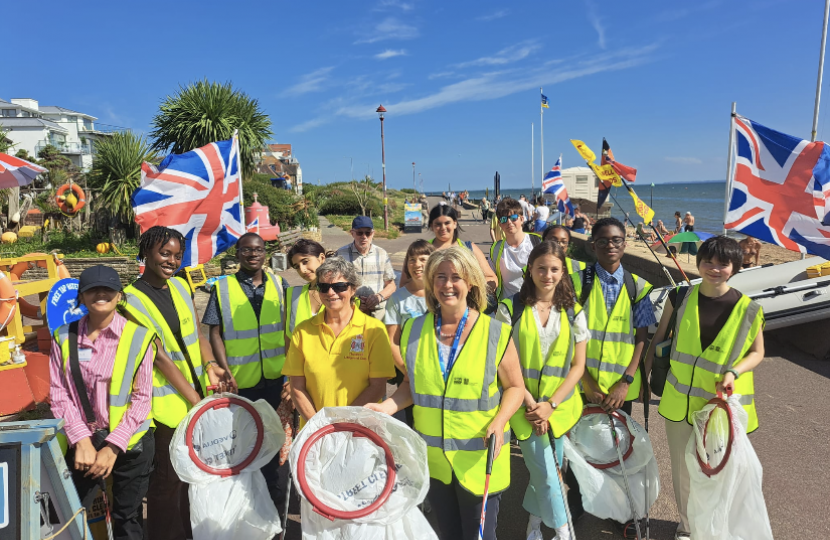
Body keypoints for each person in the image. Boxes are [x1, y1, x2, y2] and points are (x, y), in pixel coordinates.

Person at [366, 246, 524, 540]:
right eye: (440, 277)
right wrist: (385, 408)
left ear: (471, 282)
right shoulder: (413, 330)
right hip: (435, 463)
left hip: (479, 462)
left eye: (456, 277)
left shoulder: (495, 332)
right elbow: (412, 388)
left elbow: (515, 387)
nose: (447, 285)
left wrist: (500, 422)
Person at [644, 236, 765, 540]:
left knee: (717, 473)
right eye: (707, 261)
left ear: (735, 267)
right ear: (698, 262)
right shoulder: (680, 296)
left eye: (722, 263)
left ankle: (712, 528)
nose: (714, 268)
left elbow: (757, 352)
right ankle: (687, 528)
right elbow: (658, 340)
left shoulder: (749, 309)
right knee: (683, 473)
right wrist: (641, 381)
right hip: (678, 404)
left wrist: (734, 371)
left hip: (718, 408)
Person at [122, 226, 230, 540]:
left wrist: (211, 367)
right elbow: (157, 357)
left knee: (192, 478)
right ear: (146, 253)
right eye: (164, 253)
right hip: (164, 409)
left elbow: (195, 333)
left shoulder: (181, 288)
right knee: (166, 484)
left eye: (177, 255)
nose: (171, 260)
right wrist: (195, 399)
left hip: (193, 399)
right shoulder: (130, 300)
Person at [50, 265, 156, 540]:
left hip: (130, 443)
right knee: (64, 516)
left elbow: (143, 398)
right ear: (81, 298)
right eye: (91, 289)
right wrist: (81, 440)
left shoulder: (139, 337)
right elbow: (59, 393)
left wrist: (112, 447)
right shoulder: (63, 336)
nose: (100, 294)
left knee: (126, 518)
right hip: (83, 442)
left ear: (119, 296)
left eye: (108, 289)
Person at [568, 217, 656, 534]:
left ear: (625, 243)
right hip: (582, 387)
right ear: (592, 245)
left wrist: (627, 381)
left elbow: (641, 337)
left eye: (616, 240)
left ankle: (624, 514)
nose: (610, 246)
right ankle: (577, 508)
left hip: (622, 389)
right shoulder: (575, 284)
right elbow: (565, 338)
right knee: (579, 451)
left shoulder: (639, 287)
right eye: (603, 241)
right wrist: (586, 383)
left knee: (621, 453)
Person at [495, 241, 587, 540]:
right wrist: (534, 406)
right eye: (541, 268)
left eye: (555, 269)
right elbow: (505, 363)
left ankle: (533, 526)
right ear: (530, 269)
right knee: (549, 476)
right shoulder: (510, 309)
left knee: (548, 472)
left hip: (559, 410)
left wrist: (551, 405)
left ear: (563, 272)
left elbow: (578, 366)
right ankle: (564, 533)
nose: (548, 275)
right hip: (524, 408)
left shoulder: (574, 311)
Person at [202, 232, 290, 511]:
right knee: (245, 436)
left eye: (259, 249)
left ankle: (270, 489)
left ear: (266, 252)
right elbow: (214, 332)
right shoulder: (223, 287)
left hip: (276, 377)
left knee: (272, 433)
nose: (253, 254)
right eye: (246, 250)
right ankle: (247, 492)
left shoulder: (280, 283)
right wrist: (225, 369)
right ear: (237, 253)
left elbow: (289, 328)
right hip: (241, 379)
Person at [284, 257, 395, 428]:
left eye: (339, 286)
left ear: (353, 289)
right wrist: (319, 426)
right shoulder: (302, 331)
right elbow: (297, 387)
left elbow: (378, 387)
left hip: (360, 429)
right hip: (315, 432)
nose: (330, 292)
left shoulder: (374, 331)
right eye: (324, 287)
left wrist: (342, 424)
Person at [383, 240, 435, 425]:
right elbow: (392, 341)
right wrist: (408, 372)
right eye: (412, 259)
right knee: (411, 425)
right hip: (408, 376)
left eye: (423, 259)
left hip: (439, 374)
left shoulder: (443, 294)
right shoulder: (398, 298)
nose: (417, 264)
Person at [401, 205, 497, 293]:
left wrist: (471, 287)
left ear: (455, 223)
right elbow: (404, 284)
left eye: (447, 223)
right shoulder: (421, 251)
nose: (443, 228)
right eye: (438, 224)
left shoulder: (469, 248)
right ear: (431, 226)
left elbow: (492, 278)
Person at [336, 215, 397, 320]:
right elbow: (334, 284)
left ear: (372, 234)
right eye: (360, 233)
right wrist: (353, 300)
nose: (364, 236)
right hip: (350, 310)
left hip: (377, 313)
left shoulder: (382, 254)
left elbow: (391, 285)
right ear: (352, 233)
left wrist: (378, 297)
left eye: (367, 233)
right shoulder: (341, 254)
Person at [489, 197, 542, 301]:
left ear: (522, 219)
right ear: (500, 224)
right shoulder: (496, 249)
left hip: (533, 305)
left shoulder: (537, 243)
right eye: (504, 219)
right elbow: (490, 276)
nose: (509, 222)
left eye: (513, 217)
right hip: (507, 310)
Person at [286, 239, 335, 344]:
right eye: (297, 267)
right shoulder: (292, 295)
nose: (302, 270)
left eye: (305, 261)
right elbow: (288, 338)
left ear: (321, 258)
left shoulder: (343, 293)